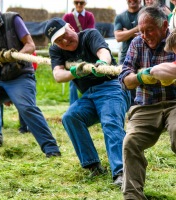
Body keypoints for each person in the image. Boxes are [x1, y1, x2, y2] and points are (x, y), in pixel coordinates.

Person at [44, 17, 131, 186]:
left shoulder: (90, 35)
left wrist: (101, 64)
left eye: (64, 34)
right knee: (70, 117)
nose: (64, 41)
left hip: (111, 87)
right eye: (59, 40)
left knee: (110, 123)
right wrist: (74, 73)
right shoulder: (56, 50)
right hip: (89, 95)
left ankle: (122, 172)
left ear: (70, 26)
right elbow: (58, 75)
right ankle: (93, 165)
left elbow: (103, 53)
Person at [0, 2, 61, 158]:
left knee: (27, 108)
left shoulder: (12, 19)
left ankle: (52, 150)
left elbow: (30, 46)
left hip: (21, 75)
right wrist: (0, 59)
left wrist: (13, 56)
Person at [118, 6, 176, 199]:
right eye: (141, 31)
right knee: (130, 142)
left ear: (164, 25)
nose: (144, 35)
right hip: (145, 105)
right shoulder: (136, 43)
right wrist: (142, 77)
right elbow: (124, 79)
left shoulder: (174, 40)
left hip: (174, 103)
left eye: (149, 29)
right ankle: (133, 197)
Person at [63, 0, 95, 105]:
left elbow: (90, 33)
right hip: (71, 52)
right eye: (77, 3)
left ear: (85, 4)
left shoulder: (89, 16)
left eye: (81, 3)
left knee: (89, 77)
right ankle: (74, 105)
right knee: (73, 80)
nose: (79, 5)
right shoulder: (67, 17)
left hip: (86, 50)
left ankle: (90, 103)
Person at [114, 0, 142, 106]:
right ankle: (129, 113)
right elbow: (118, 37)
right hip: (126, 57)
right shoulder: (120, 16)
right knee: (125, 87)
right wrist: (136, 30)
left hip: (144, 56)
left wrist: (126, 32)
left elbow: (147, 33)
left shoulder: (145, 13)